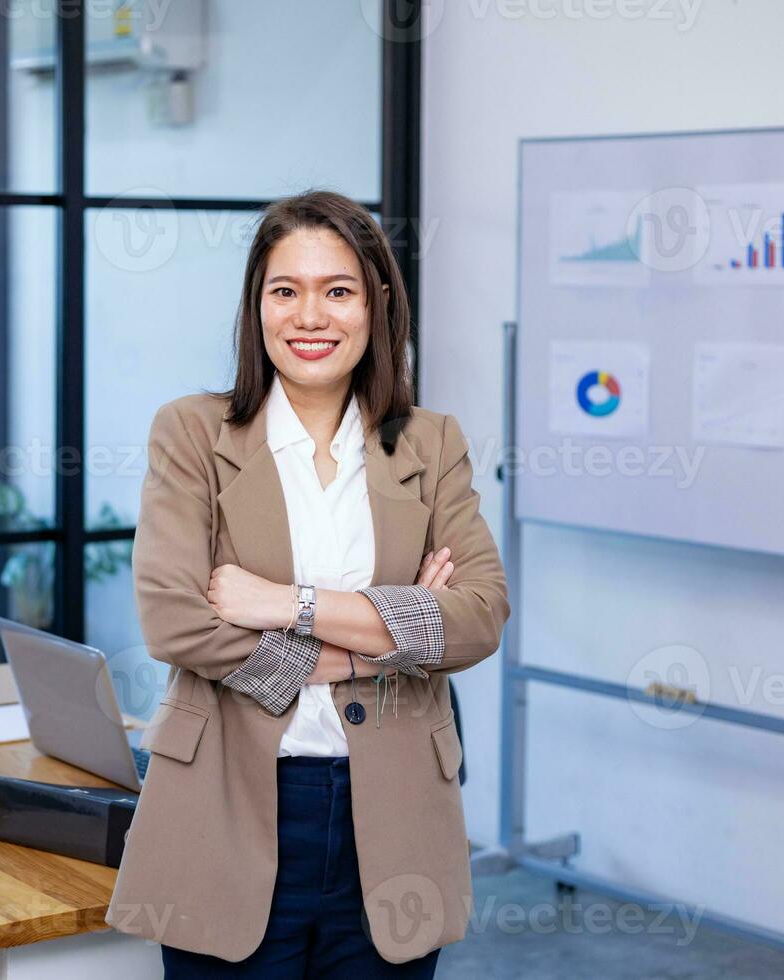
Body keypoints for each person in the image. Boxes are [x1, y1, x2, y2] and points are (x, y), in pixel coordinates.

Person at [103, 190, 510, 976]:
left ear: (378, 304)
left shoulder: (431, 443)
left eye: (339, 291)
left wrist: (288, 605)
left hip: (395, 821)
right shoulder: (193, 432)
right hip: (228, 810)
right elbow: (177, 623)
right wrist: (388, 643)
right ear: (257, 306)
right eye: (285, 291)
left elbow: (480, 615)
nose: (309, 316)